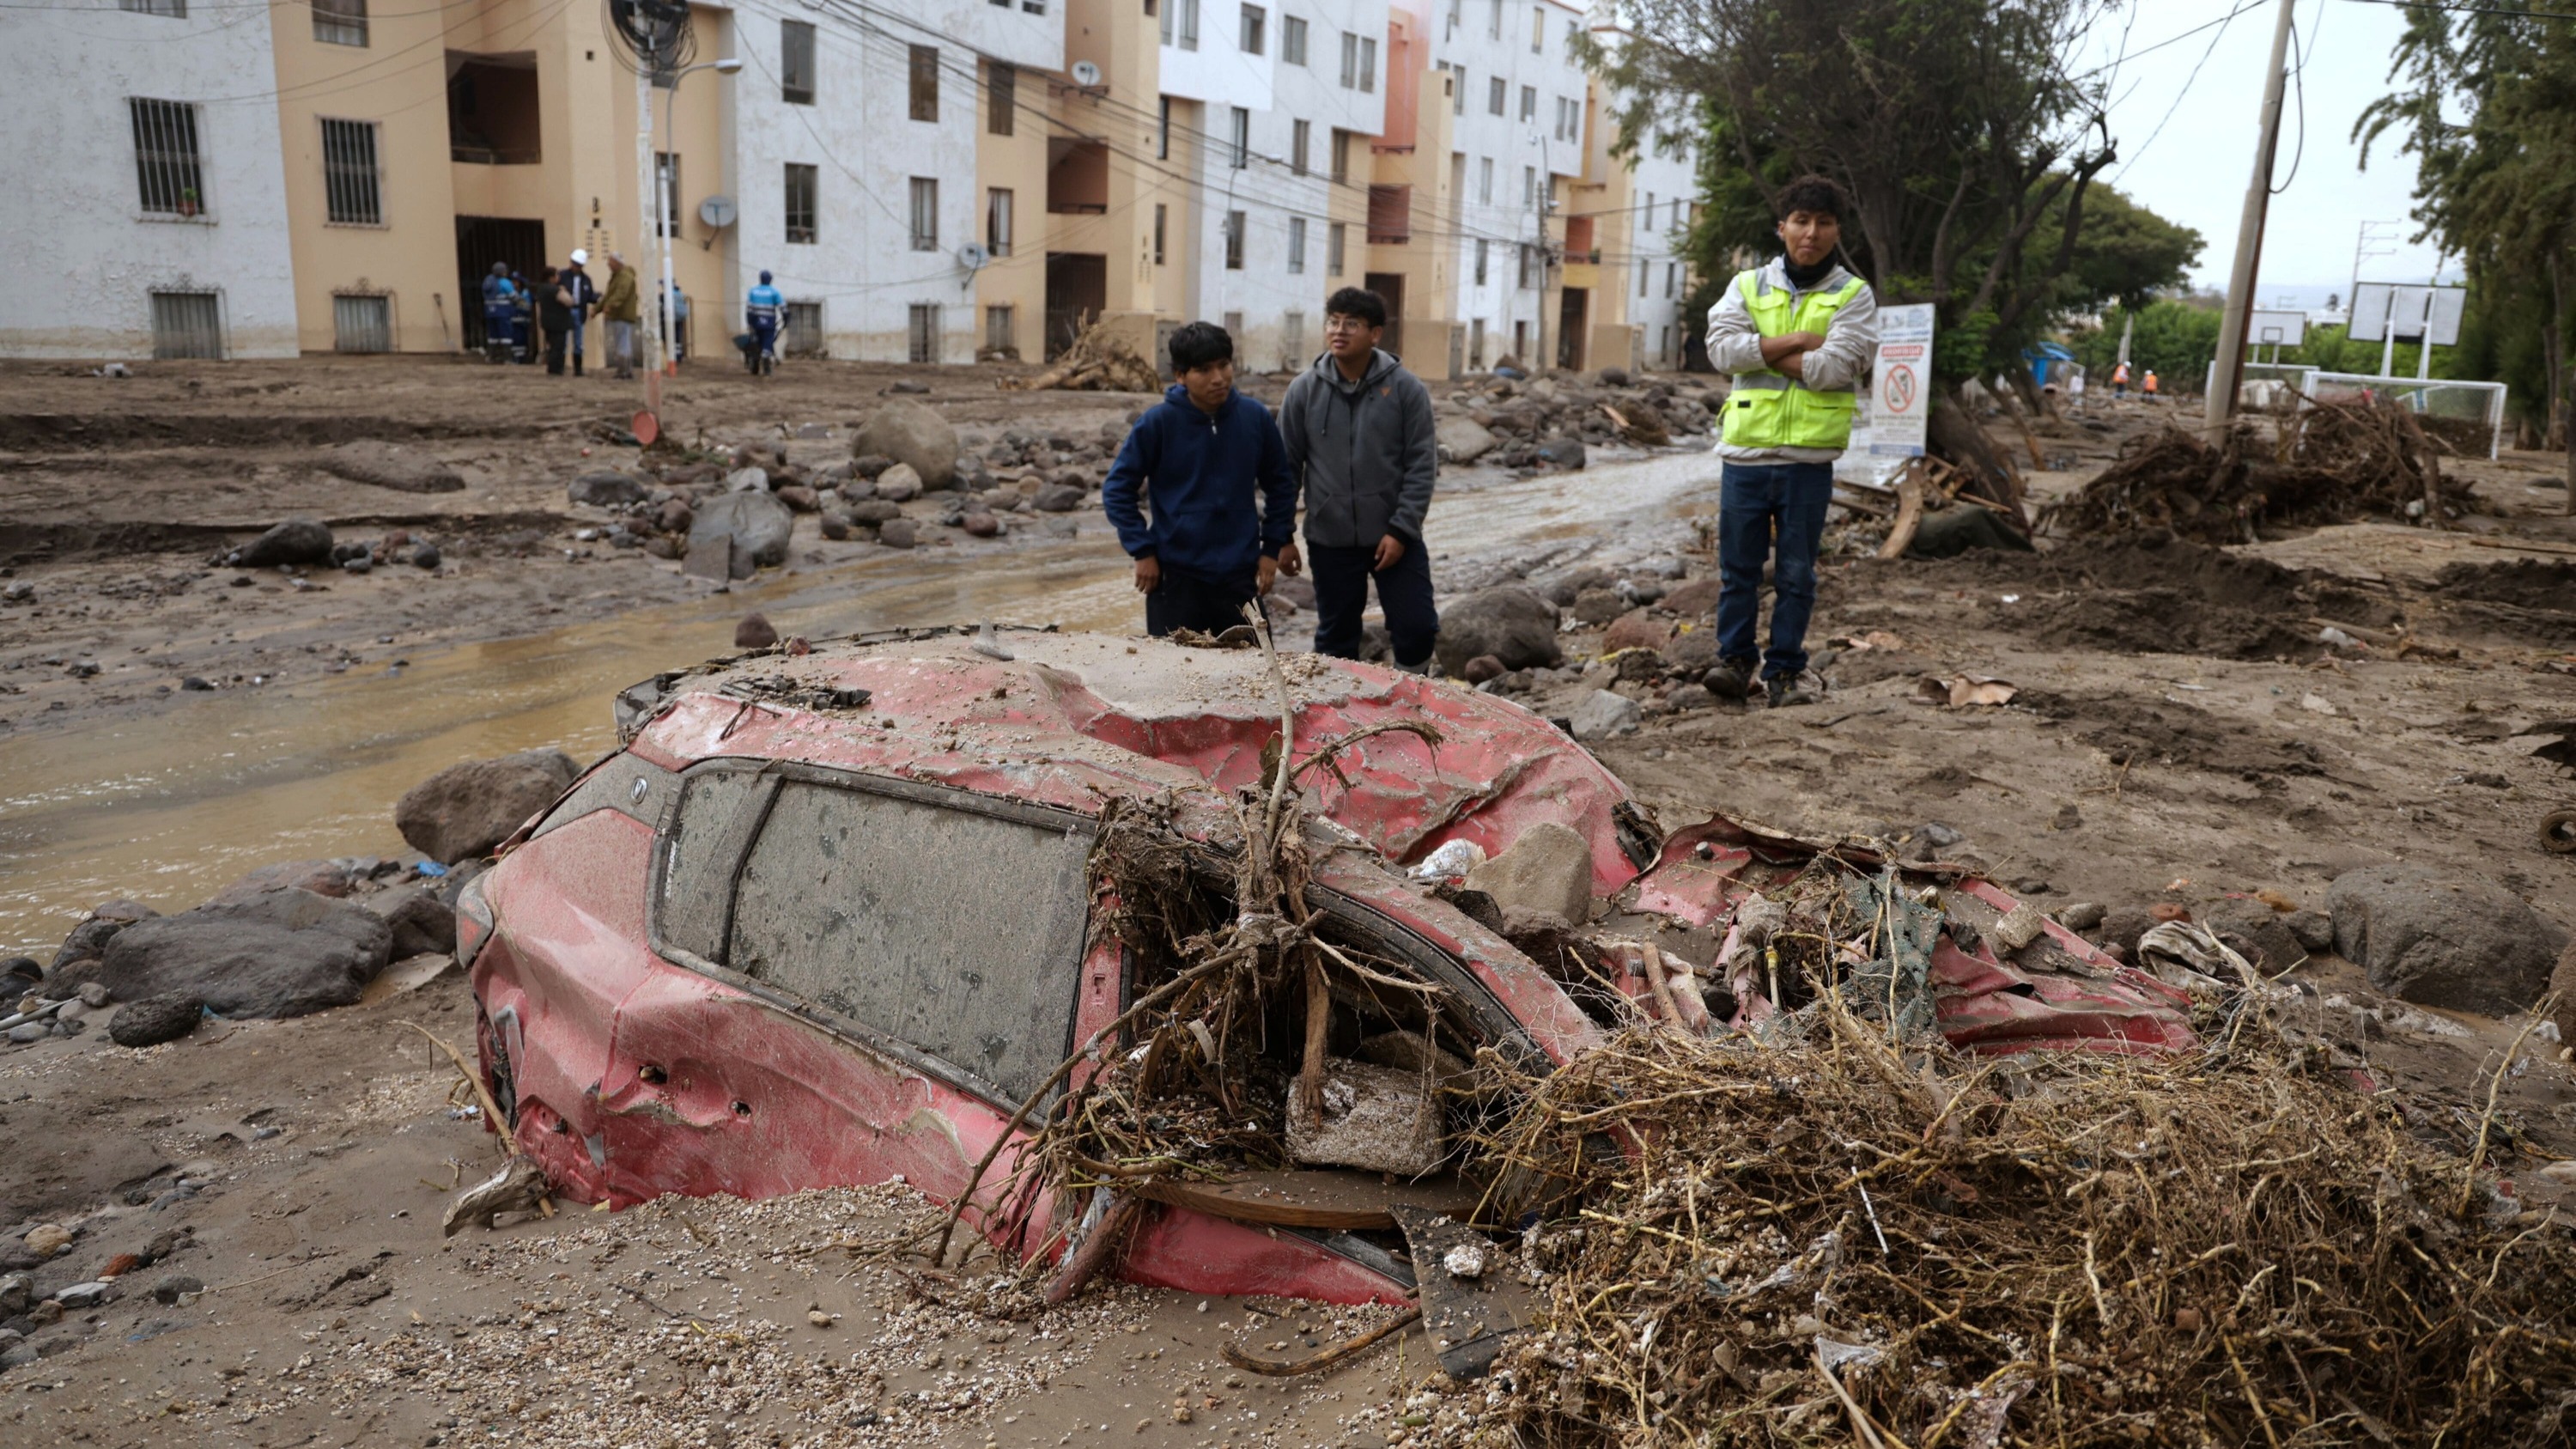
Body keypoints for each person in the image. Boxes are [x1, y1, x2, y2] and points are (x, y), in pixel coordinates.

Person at [1703, 172, 1880, 709]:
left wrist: (1761, 347)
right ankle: (1734, 663)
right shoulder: (1748, 285)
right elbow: (1720, 351)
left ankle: (1783, 672)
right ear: (1783, 228)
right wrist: (1799, 340)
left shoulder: (1854, 294)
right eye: (1801, 221)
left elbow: (1836, 367)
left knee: (1797, 574)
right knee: (1738, 571)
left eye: (1823, 223)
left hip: (1808, 458)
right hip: (1746, 452)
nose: (1812, 233)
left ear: (1836, 231)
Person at [1102, 320, 1298, 636]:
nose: (1218, 378)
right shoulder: (1158, 423)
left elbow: (1281, 486)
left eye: (1224, 365)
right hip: (1175, 577)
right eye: (1204, 370)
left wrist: (1271, 549)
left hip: (1239, 575)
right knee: (1177, 675)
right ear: (1180, 375)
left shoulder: (1255, 417)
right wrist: (1142, 550)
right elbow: (1116, 489)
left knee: (1255, 675)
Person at [1279, 286, 1439, 672]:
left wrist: (1402, 530)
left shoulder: (1405, 390)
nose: (1340, 330)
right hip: (1329, 538)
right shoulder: (1303, 390)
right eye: (1333, 322)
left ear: (1376, 334)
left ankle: (1410, 705)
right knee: (1335, 638)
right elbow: (1285, 468)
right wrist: (1281, 536)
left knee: (1417, 627)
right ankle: (1341, 722)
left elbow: (1422, 464)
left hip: (1394, 536)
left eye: (1352, 324)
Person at [599, 253, 639, 380]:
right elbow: (609, 295)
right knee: (623, 342)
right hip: (619, 315)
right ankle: (626, 370)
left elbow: (620, 294)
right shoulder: (618, 277)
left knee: (622, 343)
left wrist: (609, 305)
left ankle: (624, 371)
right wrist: (597, 309)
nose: (608, 264)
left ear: (617, 263)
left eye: (610, 262)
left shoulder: (624, 277)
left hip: (621, 315)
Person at [562, 249, 598, 377]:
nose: (576, 267)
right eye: (575, 263)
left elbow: (589, 296)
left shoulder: (586, 279)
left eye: (579, 265)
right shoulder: (562, 276)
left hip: (579, 311)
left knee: (578, 342)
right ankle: (561, 366)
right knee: (563, 340)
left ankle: (578, 369)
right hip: (565, 312)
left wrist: (598, 299)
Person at [534, 265, 576, 376]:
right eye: (556, 275)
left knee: (551, 346)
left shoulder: (541, 288)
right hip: (559, 323)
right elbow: (569, 301)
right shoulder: (555, 289)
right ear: (551, 277)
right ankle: (556, 369)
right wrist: (563, 290)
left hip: (547, 322)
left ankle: (553, 368)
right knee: (558, 347)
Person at [744, 270, 783, 374]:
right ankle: (766, 364)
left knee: (756, 343)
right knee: (767, 343)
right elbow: (783, 307)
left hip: (756, 323)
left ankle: (755, 361)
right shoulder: (774, 292)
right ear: (770, 280)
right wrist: (786, 318)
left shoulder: (753, 291)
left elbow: (749, 310)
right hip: (769, 324)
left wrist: (749, 322)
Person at [478, 262, 518, 364]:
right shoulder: (505, 282)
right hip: (503, 312)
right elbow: (514, 297)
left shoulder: (488, 281)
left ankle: (490, 357)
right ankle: (507, 359)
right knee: (506, 336)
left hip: (490, 312)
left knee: (493, 336)